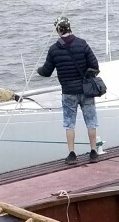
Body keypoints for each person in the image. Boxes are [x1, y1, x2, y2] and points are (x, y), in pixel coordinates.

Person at [36, 16, 101, 165]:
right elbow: (95, 65)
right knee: (91, 122)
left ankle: (72, 154)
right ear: (70, 28)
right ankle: (93, 152)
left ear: (58, 30)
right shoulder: (82, 44)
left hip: (68, 92)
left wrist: (38, 70)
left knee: (69, 124)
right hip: (86, 90)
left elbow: (46, 72)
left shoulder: (54, 49)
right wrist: (86, 77)